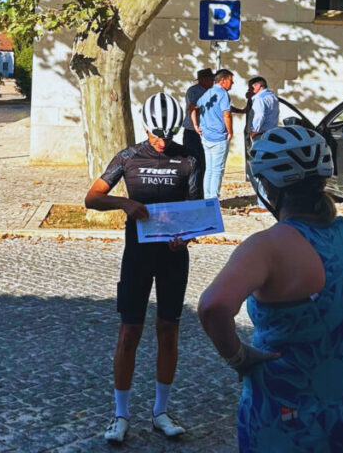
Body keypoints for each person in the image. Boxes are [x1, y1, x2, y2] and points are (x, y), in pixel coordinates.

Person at [198, 125, 343, 452]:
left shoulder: (265, 247)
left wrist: (239, 356)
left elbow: (212, 307)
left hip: (281, 423)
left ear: (268, 188)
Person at [84, 92, 199, 444]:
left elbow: (195, 209)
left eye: (168, 135)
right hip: (137, 256)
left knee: (168, 330)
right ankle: (120, 415)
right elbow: (92, 197)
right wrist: (125, 203)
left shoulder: (189, 160)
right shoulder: (129, 157)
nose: (162, 142)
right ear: (147, 126)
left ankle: (161, 412)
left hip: (173, 257)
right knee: (129, 332)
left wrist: (188, 236)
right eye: (156, 135)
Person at [192, 69, 243, 200]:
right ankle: (213, 199)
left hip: (206, 135)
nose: (232, 84)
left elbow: (193, 108)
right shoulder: (222, 94)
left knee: (209, 169)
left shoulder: (207, 93)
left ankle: (208, 197)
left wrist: (196, 126)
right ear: (223, 80)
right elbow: (227, 114)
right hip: (219, 136)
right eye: (231, 81)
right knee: (217, 169)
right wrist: (230, 132)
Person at [182, 69, 214, 199]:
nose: (212, 82)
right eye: (210, 79)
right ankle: (191, 192)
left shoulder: (212, 91)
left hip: (206, 131)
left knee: (204, 163)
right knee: (193, 162)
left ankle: (201, 192)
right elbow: (193, 108)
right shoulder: (193, 91)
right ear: (203, 80)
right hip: (192, 131)